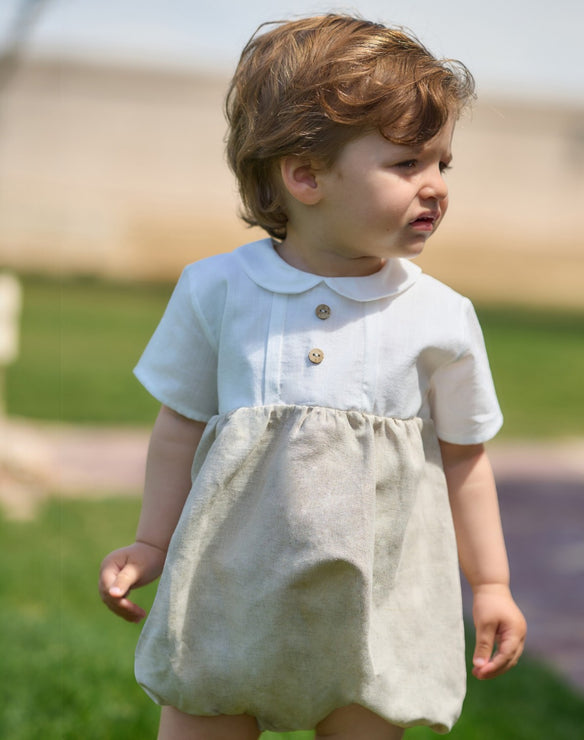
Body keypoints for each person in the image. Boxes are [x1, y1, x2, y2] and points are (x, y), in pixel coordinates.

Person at [98, 14, 526, 740]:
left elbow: (464, 456)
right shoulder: (218, 291)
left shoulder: (441, 318)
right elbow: (179, 427)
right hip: (227, 592)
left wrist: (491, 583)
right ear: (305, 175)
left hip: (374, 601)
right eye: (407, 164)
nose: (435, 186)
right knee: (204, 712)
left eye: (442, 164)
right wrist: (151, 542)